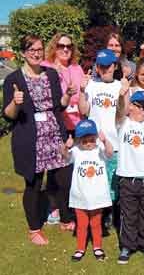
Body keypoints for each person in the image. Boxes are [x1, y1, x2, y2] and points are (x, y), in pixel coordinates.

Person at [2, 35, 76, 245]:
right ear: (23, 53)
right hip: (30, 138)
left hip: (54, 134)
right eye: (31, 49)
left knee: (63, 180)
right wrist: (16, 103)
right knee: (33, 184)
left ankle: (65, 218)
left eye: (39, 49)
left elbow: (58, 106)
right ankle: (34, 228)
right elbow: (8, 115)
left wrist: (68, 95)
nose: (36, 53)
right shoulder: (13, 79)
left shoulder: (51, 74)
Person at [42, 33, 84, 225]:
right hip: (56, 125)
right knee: (55, 169)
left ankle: (71, 204)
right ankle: (54, 208)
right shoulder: (46, 67)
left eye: (68, 46)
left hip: (77, 125)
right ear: (54, 47)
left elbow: (83, 94)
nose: (65, 49)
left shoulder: (77, 68)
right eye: (61, 46)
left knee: (73, 168)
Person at [115, 87, 144, 264]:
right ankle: (127, 246)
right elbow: (119, 111)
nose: (143, 109)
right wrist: (121, 95)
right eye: (139, 106)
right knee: (129, 214)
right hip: (128, 178)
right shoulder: (123, 124)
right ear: (131, 107)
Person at [79, 49, 122, 230]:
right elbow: (83, 110)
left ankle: (113, 214)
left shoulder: (120, 86)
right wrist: (82, 91)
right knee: (97, 182)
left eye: (108, 66)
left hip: (116, 143)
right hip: (94, 145)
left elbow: (125, 113)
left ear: (115, 66)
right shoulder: (91, 85)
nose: (105, 70)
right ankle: (100, 216)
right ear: (97, 67)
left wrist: (125, 94)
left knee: (114, 183)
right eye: (101, 67)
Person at [61, 120, 113, 262]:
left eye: (91, 140)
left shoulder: (100, 149)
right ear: (79, 140)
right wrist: (66, 147)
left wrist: (105, 140)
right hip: (80, 196)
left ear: (96, 137)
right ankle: (80, 248)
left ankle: (97, 247)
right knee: (82, 224)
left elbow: (110, 153)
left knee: (96, 223)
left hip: (97, 196)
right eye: (84, 141)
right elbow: (65, 157)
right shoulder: (76, 151)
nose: (89, 144)